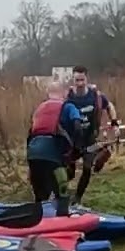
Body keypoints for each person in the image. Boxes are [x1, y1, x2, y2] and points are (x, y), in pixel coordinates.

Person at [64, 65, 119, 206]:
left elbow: (109, 106)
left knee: (87, 169)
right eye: (77, 80)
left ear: (87, 79)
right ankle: (61, 195)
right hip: (72, 140)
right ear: (73, 80)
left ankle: (77, 198)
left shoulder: (96, 96)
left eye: (82, 80)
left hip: (89, 139)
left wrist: (114, 123)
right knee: (68, 172)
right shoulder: (67, 97)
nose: (80, 83)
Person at [27, 79, 82, 213]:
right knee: (62, 192)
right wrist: (77, 149)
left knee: (40, 196)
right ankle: (62, 222)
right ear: (64, 93)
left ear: (48, 93)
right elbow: (77, 126)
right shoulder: (69, 106)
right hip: (53, 156)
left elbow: (31, 131)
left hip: (33, 155)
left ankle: (38, 221)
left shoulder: (40, 108)